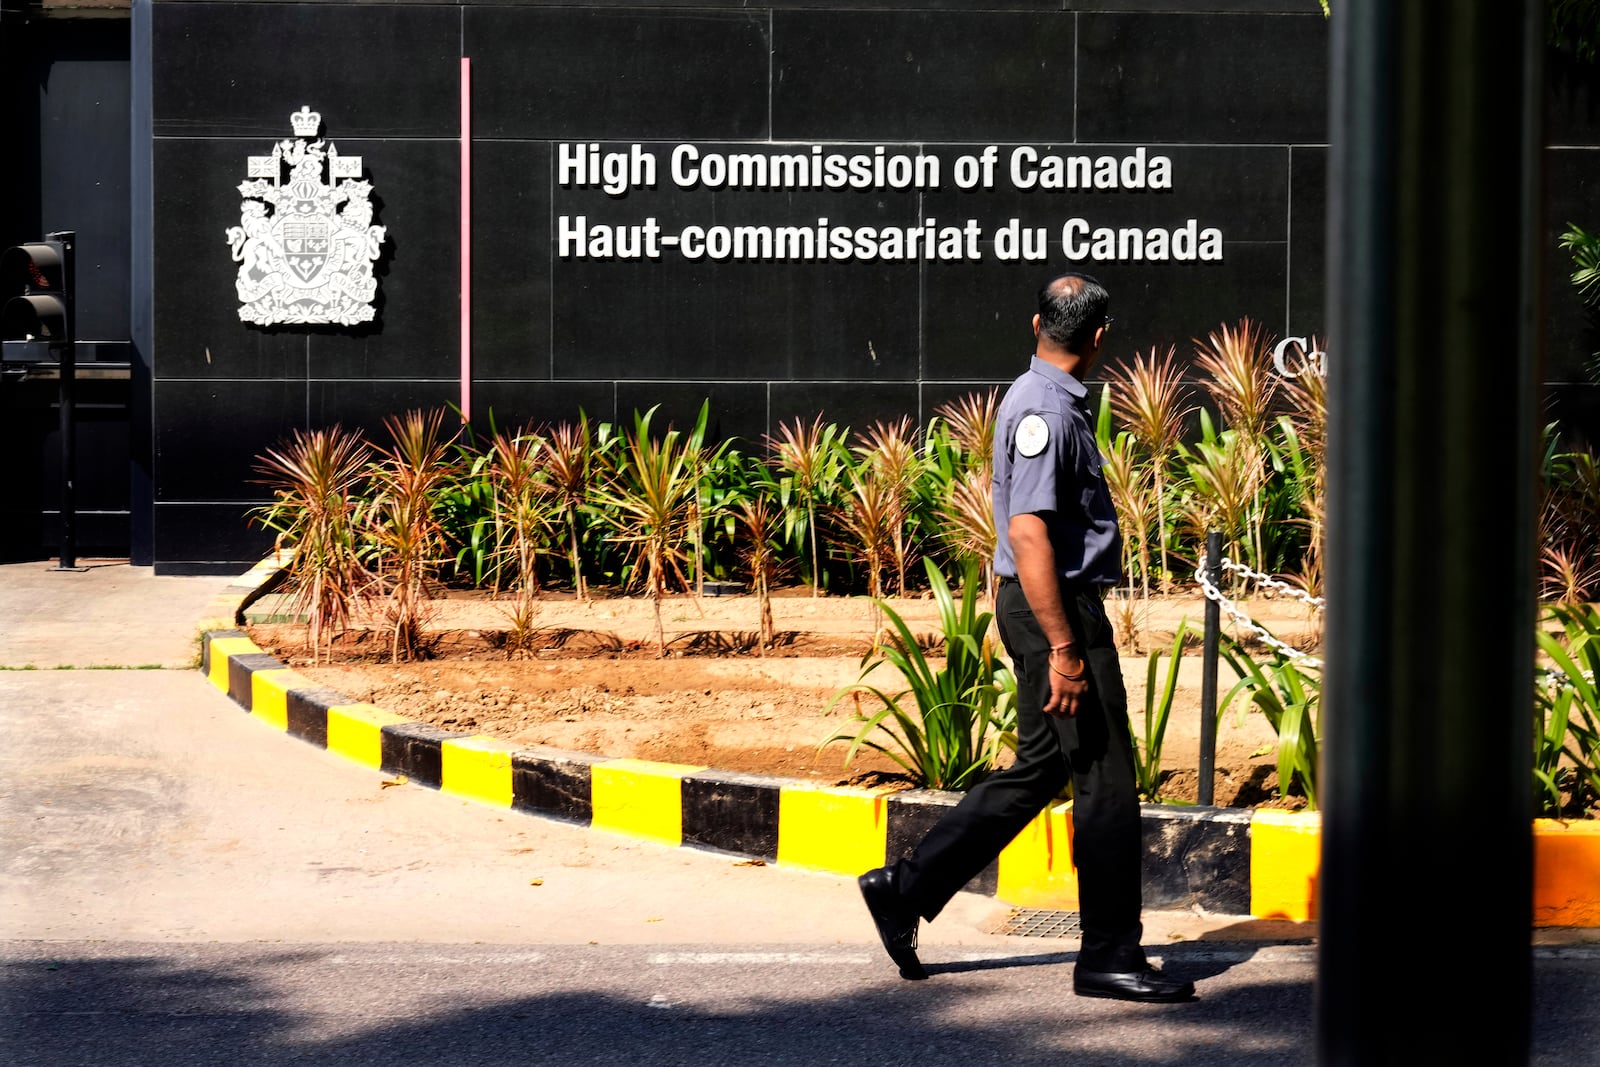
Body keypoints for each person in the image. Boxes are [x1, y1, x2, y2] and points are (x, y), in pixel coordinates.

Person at [857, 271, 1195, 1003]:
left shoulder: (1036, 397)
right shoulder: (1046, 408)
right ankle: (1108, 952)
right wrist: (1066, 648)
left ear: (1035, 323)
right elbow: (1028, 530)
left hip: (1041, 606)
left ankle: (907, 888)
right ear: (1099, 336)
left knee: (1043, 768)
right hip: (1057, 612)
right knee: (1105, 782)